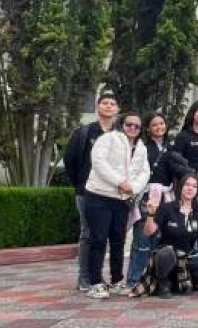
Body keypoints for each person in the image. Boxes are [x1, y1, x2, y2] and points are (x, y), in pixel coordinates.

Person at [84, 112, 151, 299]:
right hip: (99, 196)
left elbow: (144, 172)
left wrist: (133, 188)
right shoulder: (108, 139)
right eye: (129, 124)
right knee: (98, 239)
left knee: (118, 241)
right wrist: (120, 182)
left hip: (122, 200)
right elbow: (98, 163)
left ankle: (116, 280)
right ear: (122, 124)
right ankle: (95, 282)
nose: (132, 128)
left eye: (137, 126)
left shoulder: (141, 147)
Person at [134, 173, 198, 298]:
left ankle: (180, 280)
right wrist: (150, 214)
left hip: (187, 256)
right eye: (187, 184)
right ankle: (163, 282)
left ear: (197, 191)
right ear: (180, 187)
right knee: (167, 253)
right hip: (166, 252)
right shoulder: (168, 208)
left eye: (194, 186)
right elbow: (148, 232)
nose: (190, 188)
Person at [64, 92, 117, 292]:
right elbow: (70, 161)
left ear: (116, 109)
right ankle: (84, 278)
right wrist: (82, 184)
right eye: (105, 103)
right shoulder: (85, 133)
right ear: (98, 107)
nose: (109, 106)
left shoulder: (119, 135)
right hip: (87, 193)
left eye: (112, 103)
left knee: (102, 235)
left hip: (111, 194)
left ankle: (97, 275)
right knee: (88, 234)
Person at [126, 112, 172, 294]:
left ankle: (151, 280)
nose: (159, 127)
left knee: (158, 239)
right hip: (146, 196)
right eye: (154, 125)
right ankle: (134, 280)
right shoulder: (142, 147)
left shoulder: (171, 147)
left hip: (166, 197)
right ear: (148, 128)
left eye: (162, 123)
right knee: (141, 240)